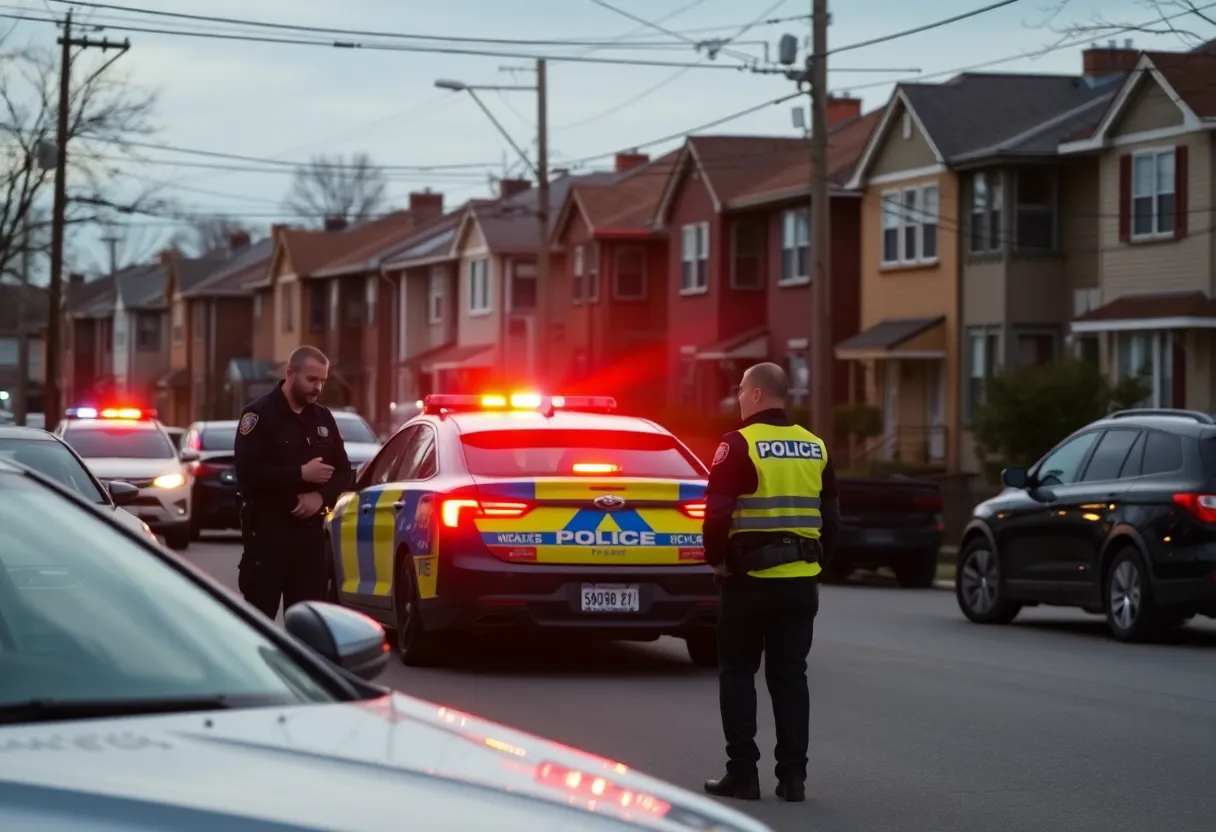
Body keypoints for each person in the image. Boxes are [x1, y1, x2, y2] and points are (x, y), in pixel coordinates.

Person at [701, 362, 841, 804]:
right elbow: (832, 516)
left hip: (749, 580)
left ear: (758, 395)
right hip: (800, 583)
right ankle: (793, 779)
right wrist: (819, 569)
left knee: (739, 673)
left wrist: (718, 563)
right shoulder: (815, 447)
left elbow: (717, 514)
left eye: (741, 390)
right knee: (790, 678)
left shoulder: (737, 444)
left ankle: (742, 774)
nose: (739, 397)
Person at [233, 345, 352, 619]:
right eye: (312, 379)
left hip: (310, 539)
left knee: (309, 626)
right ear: (290, 374)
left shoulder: (323, 418)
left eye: (322, 380)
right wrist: (299, 474)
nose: (318, 387)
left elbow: (344, 471)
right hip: (268, 535)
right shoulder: (258, 416)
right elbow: (248, 473)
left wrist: (320, 497)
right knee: (257, 624)